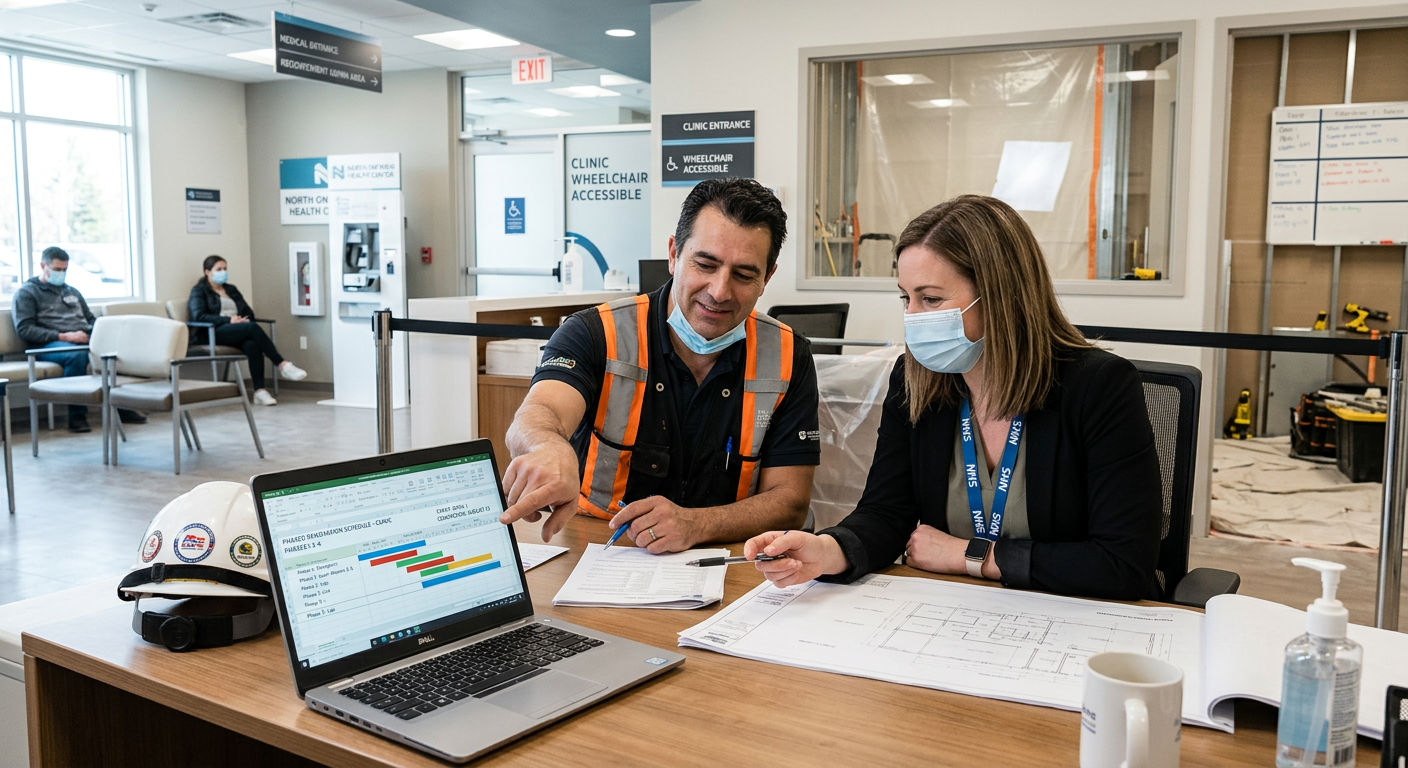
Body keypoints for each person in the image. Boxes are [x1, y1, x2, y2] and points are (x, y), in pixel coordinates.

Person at [745, 195, 1163, 601]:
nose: (912, 317)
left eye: (931, 299)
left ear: (1002, 296)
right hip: (959, 610)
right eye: (905, 298)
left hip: (1077, 621)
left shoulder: (1099, 386)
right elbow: (886, 513)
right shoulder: (915, 381)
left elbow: (1123, 564)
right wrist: (828, 551)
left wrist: (973, 557)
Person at [498, 178, 820, 551]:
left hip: (725, 564)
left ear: (767, 278)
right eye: (705, 264)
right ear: (673, 254)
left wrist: (695, 524)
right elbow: (539, 412)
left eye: (744, 275)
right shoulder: (595, 333)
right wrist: (547, 446)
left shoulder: (788, 356)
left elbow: (790, 501)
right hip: (597, 552)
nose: (719, 291)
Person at [13, 246, 147, 433]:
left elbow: (90, 319)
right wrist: (64, 336)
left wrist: (100, 334)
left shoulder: (72, 292)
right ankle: (77, 416)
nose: (61, 273)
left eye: (65, 270)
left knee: (117, 351)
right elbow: (25, 329)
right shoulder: (27, 293)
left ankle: (122, 406)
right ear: (43, 266)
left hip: (81, 339)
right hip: (48, 345)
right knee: (77, 356)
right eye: (57, 269)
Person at [188, 256, 306, 406]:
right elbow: (199, 316)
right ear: (207, 272)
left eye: (225, 269)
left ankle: (259, 392)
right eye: (218, 269)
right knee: (251, 328)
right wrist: (229, 320)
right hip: (211, 333)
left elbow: (248, 312)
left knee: (252, 344)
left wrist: (242, 320)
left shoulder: (231, 289)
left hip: (235, 330)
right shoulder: (199, 291)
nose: (223, 272)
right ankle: (282, 364)